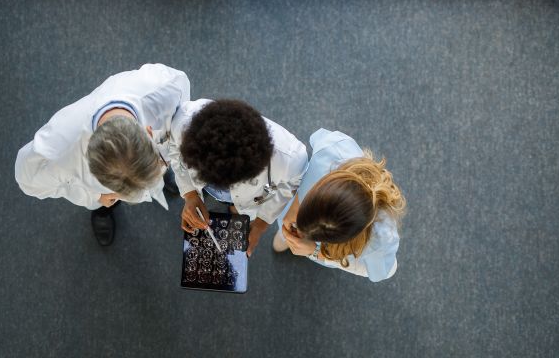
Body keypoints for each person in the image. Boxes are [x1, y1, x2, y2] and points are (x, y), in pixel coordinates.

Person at [15, 63, 190, 246]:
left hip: (163, 145)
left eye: (156, 161)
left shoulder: (165, 86)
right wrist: (94, 197)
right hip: (102, 194)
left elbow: (182, 115)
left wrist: (171, 159)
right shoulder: (55, 153)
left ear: (149, 132)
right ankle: (103, 210)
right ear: (92, 168)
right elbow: (29, 183)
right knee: (104, 203)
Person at [167, 99, 308, 256]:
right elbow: (175, 151)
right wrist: (190, 193)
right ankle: (234, 207)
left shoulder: (292, 160)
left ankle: (236, 208)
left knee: (240, 205)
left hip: (252, 196)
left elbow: (289, 187)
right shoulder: (183, 123)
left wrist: (262, 223)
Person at [273, 129, 406, 282]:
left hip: (327, 252)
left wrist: (316, 252)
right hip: (298, 214)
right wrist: (296, 205)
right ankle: (288, 236)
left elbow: (386, 271)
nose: (301, 232)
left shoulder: (380, 240)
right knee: (286, 225)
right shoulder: (333, 150)